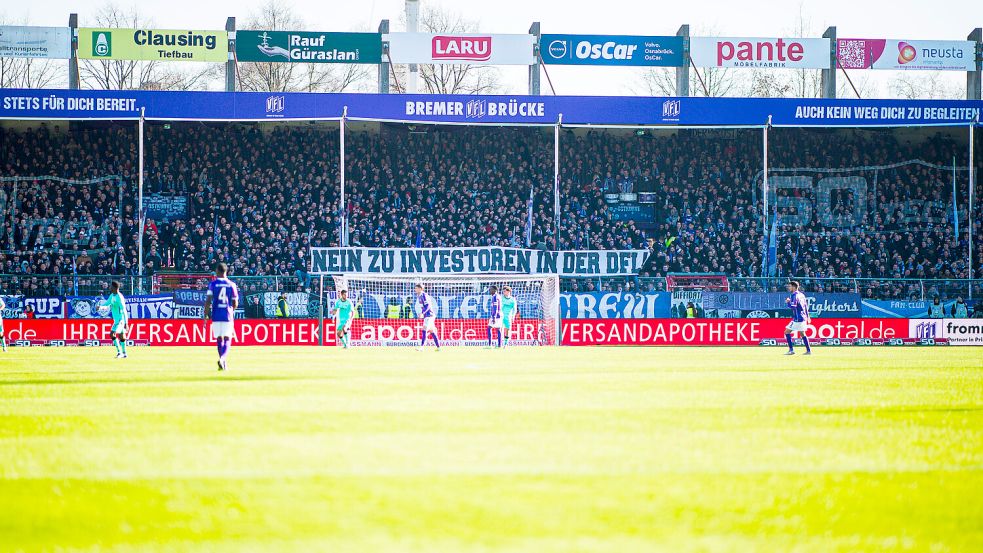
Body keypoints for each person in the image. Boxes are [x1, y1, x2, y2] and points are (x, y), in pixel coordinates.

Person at [204, 262, 239, 371]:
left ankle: (222, 360)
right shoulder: (231, 284)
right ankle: (223, 359)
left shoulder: (212, 284)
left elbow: (208, 301)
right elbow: (235, 302)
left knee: (219, 338)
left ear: (217, 271)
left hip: (216, 314)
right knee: (228, 337)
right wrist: (231, 310)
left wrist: (205, 315)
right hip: (227, 315)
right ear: (226, 271)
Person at [783, 280, 812, 356]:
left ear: (794, 287)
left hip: (797, 318)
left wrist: (788, 302)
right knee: (802, 333)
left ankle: (791, 350)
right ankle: (808, 351)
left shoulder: (794, 295)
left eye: (790, 286)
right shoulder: (802, 295)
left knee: (787, 332)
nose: (788, 288)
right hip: (802, 317)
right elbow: (805, 306)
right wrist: (808, 316)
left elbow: (793, 306)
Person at [415, 283, 440, 351]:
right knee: (432, 331)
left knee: (424, 329)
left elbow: (428, 306)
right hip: (428, 315)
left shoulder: (424, 295)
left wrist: (423, 313)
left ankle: (422, 347)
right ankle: (438, 347)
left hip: (429, 315)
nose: (415, 289)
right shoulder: (419, 296)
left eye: (416, 288)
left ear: (420, 289)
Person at [107, 281, 128, 359]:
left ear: (115, 288)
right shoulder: (112, 295)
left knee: (112, 334)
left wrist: (126, 323)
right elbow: (107, 303)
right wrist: (100, 307)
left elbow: (124, 310)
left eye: (111, 286)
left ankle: (119, 352)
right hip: (116, 320)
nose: (110, 288)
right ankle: (124, 353)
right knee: (122, 336)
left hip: (120, 320)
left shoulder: (119, 297)